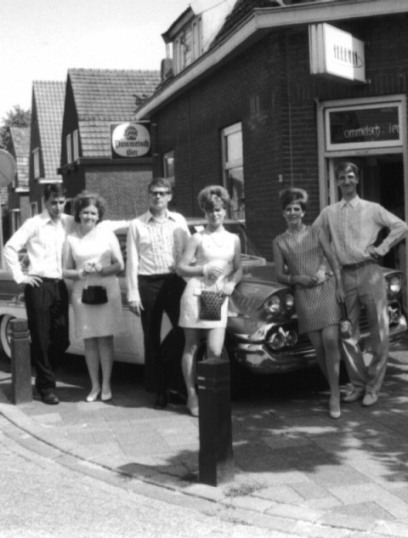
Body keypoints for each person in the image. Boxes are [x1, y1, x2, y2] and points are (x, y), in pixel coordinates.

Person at [315, 161, 408, 407]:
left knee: (379, 331)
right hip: (344, 275)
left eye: (350, 176)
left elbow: (401, 226)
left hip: (370, 272)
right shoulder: (329, 212)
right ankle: (357, 384)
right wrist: (326, 262)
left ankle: (373, 387)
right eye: (342, 178)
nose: (346, 181)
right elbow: (315, 234)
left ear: (357, 179)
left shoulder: (372, 208)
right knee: (347, 331)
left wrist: (383, 248)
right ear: (337, 182)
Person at [273, 188, 344, 419]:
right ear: (283, 213)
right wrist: (297, 279)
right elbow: (279, 275)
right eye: (288, 209)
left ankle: (335, 394)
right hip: (304, 295)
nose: (293, 212)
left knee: (330, 339)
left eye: (297, 208)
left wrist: (339, 286)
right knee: (318, 346)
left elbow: (332, 259)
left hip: (326, 288)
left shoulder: (316, 231)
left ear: (303, 212)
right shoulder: (279, 241)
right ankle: (333, 387)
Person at [3, 184, 73, 405]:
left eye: (61, 202)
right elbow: (10, 247)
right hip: (39, 285)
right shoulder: (34, 224)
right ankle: (46, 387)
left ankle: (43, 374)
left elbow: (97, 226)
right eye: (53, 202)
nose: (58, 207)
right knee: (41, 338)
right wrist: (20, 277)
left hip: (60, 285)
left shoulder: (68, 222)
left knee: (62, 338)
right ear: (45, 202)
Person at [177, 186, 242, 417]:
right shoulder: (198, 238)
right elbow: (181, 268)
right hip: (196, 295)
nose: (215, 214)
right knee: (192, 346)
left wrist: (232, 283)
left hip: (218, 297)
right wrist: (203, 269)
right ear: (205, 212)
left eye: (219, 210)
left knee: (215, 349)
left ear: (225, 211)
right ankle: (192, 395)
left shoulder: (234, 239)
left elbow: (238, 268)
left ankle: (213, 395)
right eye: (210, 210)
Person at [126, 178, 190, 409]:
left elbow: (189, 250)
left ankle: (177, 386)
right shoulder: (137, 224)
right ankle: (159, 391)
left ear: (169, 196)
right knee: (151, 336)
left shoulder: (179, 220)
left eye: (163, 193)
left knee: (183, 332)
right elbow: (132, 261)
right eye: (154, 192)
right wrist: (133, 293)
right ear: (148, 195)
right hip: (148, 282)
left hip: (175, 281)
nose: (158, 197)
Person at [62, 192, 124, 402]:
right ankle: (94, 385)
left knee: (105, 338)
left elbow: (119, 264)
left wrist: (102, 269)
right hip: (83, 292)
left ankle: (106, 385)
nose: (89, 216)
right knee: (89, 340)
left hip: (107, 289)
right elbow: (65, 270)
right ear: (78, 214)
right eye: (85, 212)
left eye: (93, 213)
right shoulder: (71, 239)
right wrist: (81, 272)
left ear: (99, 216)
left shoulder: (107, 235)